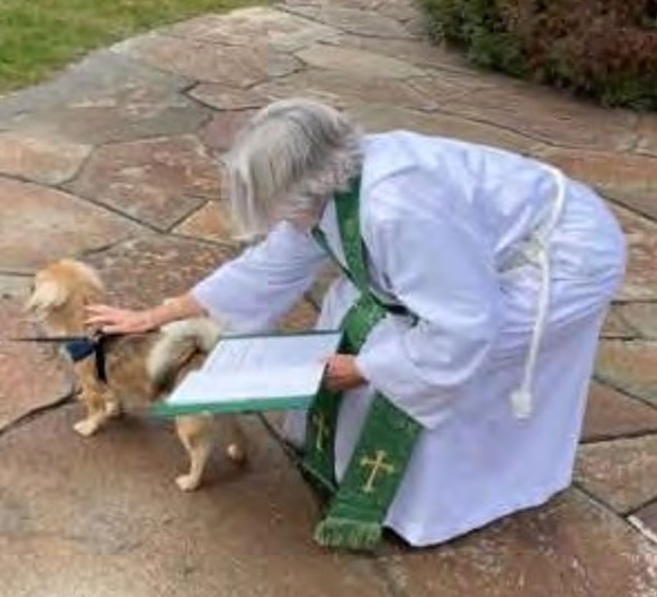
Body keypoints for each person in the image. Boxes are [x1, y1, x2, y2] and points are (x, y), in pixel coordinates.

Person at [86, 98, 627, 548]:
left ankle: (442, 503)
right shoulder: (329, 179)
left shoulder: (398, 207)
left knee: (439, 369)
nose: (267, 215)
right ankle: (350, 458)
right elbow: (266, 270)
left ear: (297, 184)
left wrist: (369, 367)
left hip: (560, 258)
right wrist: (155, 315)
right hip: (467, 262)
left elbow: (463, 327)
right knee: (355, 316)